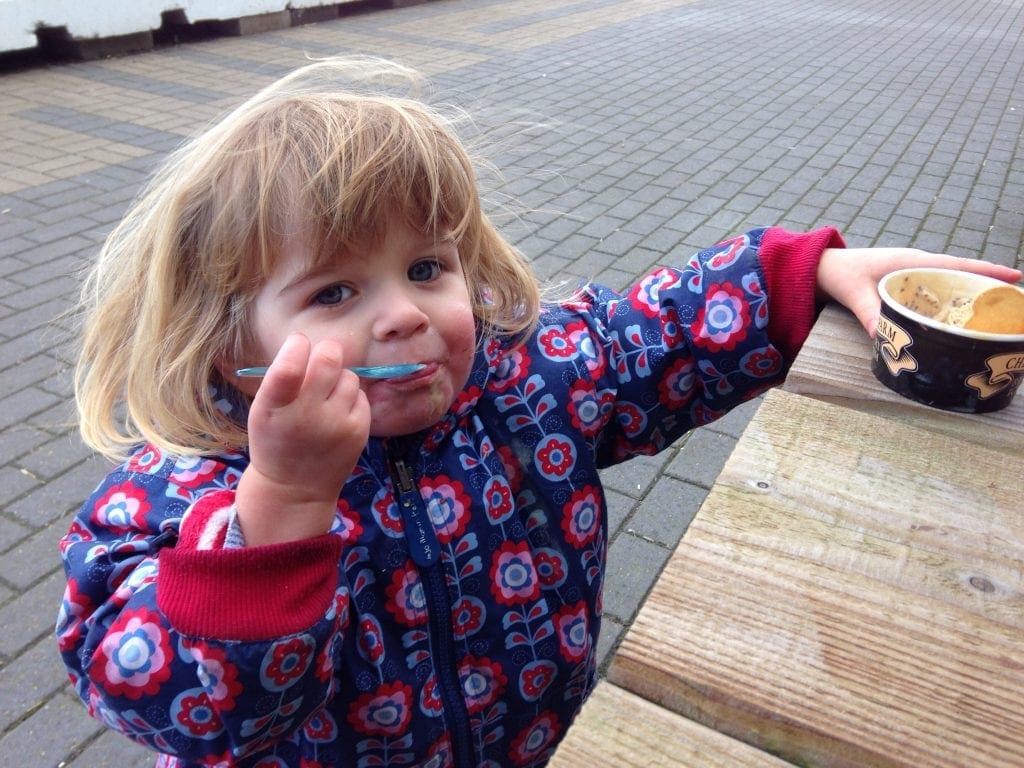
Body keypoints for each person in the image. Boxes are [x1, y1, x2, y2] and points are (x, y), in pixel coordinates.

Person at [56, 57, 1020, 768]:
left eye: (427, 268)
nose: (405, 312)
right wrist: (282, 505)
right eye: (335, 294)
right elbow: (184, 704)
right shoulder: (174, 498)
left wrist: (806, 278)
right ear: (232, 344)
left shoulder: (525, 387)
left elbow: (659, 335)